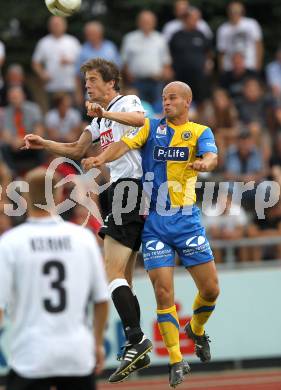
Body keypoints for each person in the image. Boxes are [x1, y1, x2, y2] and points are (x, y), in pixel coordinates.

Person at [22, 58, 152, 383]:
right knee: (122, 276)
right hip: (114, 194)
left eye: (93, 80)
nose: (88, 86)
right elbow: (78, 149)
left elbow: (139, 120)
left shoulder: (125, 102)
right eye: (85, 82)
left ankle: (136, 339)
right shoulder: (97, 120)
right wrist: (45, 143)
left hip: (129, 190)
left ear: (111, 83)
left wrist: (104, 113)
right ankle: (133, 343)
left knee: (110, 273)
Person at [82, 81, 220, 387]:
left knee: (211, 290)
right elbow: (124, 145)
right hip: (156, 222)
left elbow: (212, 157)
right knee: (162, 292)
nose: (166, 102)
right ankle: (175, 359)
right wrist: (101, 158)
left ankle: (195, 329)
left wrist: (203, 163)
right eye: (163, 98)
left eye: (172, 98)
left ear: (187, 102)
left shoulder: (199, 131)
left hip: (186, 221)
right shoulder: (151, 127)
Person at [0, 167, 109, 390]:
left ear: (25, 197)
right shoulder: (83, 238)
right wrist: (97, 344)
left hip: (30, 355)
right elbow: (101, 300)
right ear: (60, 196)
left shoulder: (11, 242)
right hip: (76, 354)